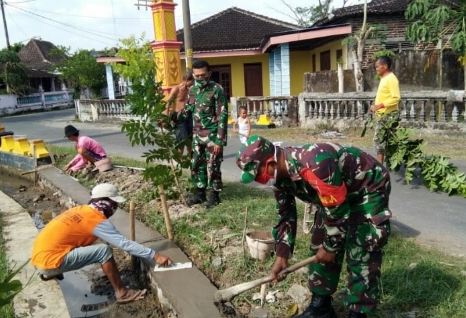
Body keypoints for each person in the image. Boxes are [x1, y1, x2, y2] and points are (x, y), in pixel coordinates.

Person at [236, 135, 392, 318]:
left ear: (270, 162)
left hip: (366, 187)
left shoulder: (315, 163)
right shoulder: (277, 177)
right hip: (333, 198)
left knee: (362, 249)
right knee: (319, 243)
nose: (258, 180)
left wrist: (332, 246)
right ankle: (321, 307)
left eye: (257, 174)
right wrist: (282, 254)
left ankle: (358, 312)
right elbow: (285, 215)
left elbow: (338, 211)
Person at [31, 183, 172, 304]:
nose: (115, 208)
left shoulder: (81, 211)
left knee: (86, 244)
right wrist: (154, 255)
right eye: (114, 204)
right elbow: (124, 244)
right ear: (107, 202)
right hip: (49, 262)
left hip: (39, 258)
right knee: (103, 251)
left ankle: (50, 273)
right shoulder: (96, 219)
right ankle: (122, 292)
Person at [173, 60, 228, 209]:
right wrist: (173, 117)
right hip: (197, 136)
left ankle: (214, 195)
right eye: (197, 76)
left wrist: (219, 141)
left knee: (213, 166)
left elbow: (222, 115)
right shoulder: (193, 91)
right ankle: (200, 193)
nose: (200, 78)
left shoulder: (217, 89)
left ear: (209, 74)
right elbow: (188, 109)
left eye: (203, 75)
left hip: (212, 136)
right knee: (196, 165)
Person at [370, 55, 400, 164]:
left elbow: (396, 98)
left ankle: (380, 166)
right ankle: (382, 164)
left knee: (379, 140)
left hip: (388, 115)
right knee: (382, 140)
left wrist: (379, 106)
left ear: (385, 66)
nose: (376, 69)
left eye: (378, 66)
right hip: (383, 114)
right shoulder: (384, 79)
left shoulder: (391, 79)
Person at [165, 72, 195, 159]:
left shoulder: (190, 90)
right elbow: (168, 101)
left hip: (188, 116)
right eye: (192, 81)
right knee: (181, 140)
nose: (193, 83)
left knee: (190, 139)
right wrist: (166, 116)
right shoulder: (176, 89)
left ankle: (191, 159)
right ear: (187, 80)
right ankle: (179, 160)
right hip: (178, 116)